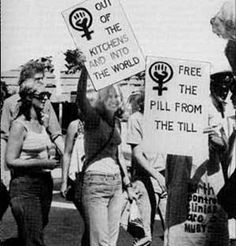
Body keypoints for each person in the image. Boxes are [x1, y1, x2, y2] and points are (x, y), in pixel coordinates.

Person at [76, 65, 135, 246]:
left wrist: (127, 183)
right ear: (102, 98)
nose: (115, 100)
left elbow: (117, 155)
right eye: (110, 96)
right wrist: (85, 70)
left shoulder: (116, 122)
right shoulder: (93, 119)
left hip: (116, 182)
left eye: (117, 96)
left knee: (111, 241)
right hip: (96, 180)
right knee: (100, 242)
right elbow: (80, 99)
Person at [5, 78, 59, 246]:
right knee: (34, 239)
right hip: (25, 186)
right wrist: (42, 163)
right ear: (28, 97)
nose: (45, 98)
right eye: (41, 94)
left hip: (44, 184)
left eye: (47, 94)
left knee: (32, 235)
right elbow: (11, 160)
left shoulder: (41, 124)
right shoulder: (19, 125)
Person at [1, 60, 64, 189]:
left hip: (42, 174)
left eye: (43, 78)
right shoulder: (10, 103)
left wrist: (68, 158)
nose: (42, 82)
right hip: (19, 171)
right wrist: (5, 172)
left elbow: (56, 134)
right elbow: (4, 139)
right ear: (26, 81)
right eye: (38, 79)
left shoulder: (45, 103)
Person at [126, 90, 167, 246]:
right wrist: (158, 176)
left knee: (172, 231)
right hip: (146, 179)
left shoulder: (163, 119)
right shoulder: (135, 119)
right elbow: (137, 154)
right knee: (145, 234)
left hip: (165, 178)